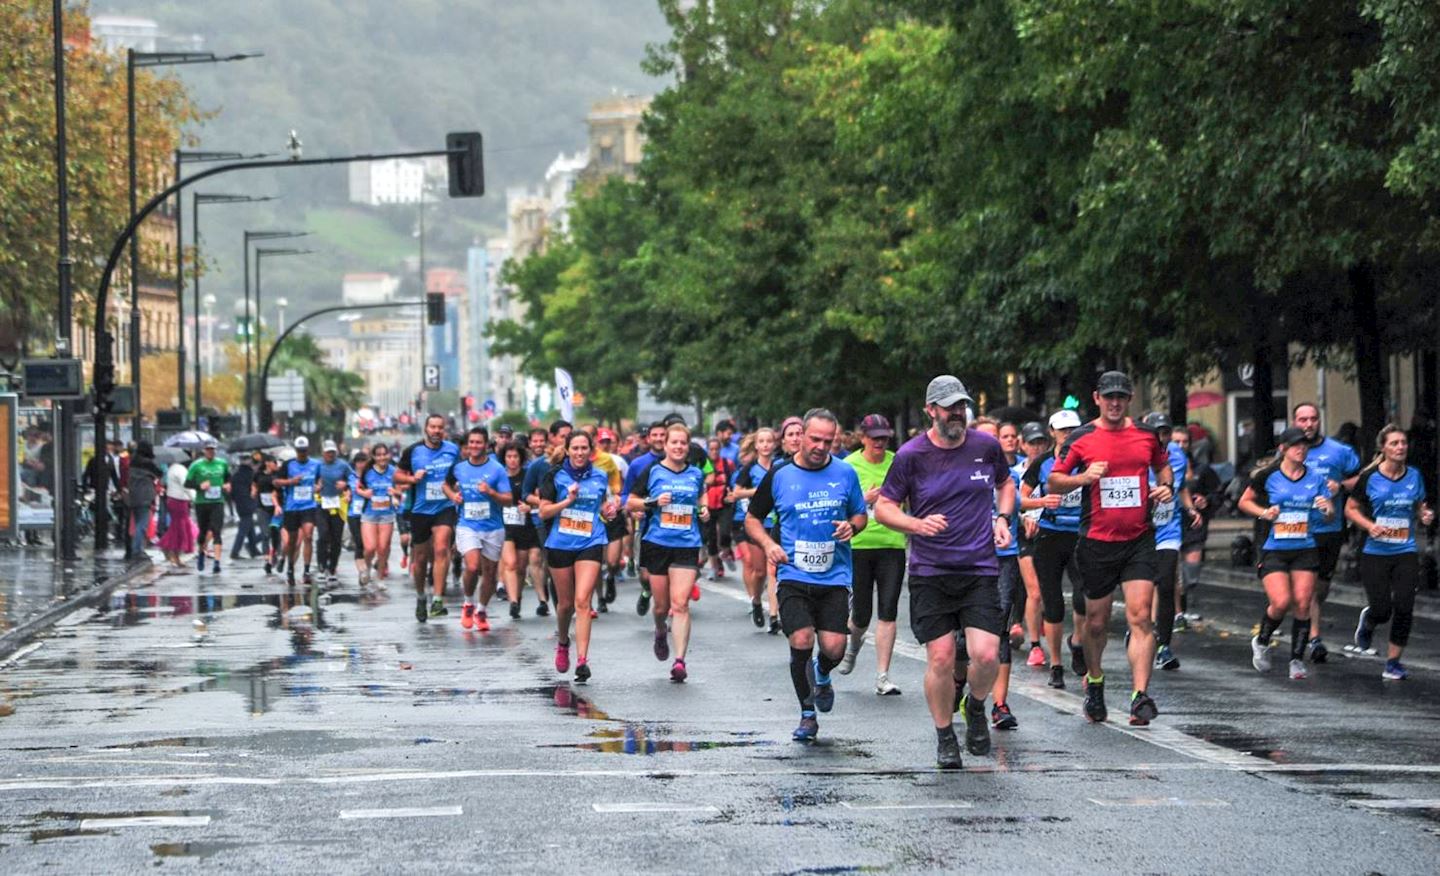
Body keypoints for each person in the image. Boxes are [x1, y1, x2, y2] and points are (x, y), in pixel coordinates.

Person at [875, 378, 1012, 768]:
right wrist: (915, 525)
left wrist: (1002, 518)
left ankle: (976, 707)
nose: (957, 413)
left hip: (978, 568)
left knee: (987, 655)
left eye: (961, 405)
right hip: (931, 571)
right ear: (931, 410)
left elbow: (1005, 484)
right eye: (949, 406)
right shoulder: (911, 455)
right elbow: (885, 507)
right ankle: (945, 735)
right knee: (941, 658)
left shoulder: (985, 447)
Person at [1046, 371, 1172, 726]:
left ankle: (1139, 696)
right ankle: (1096, 682)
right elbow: (1055, 478)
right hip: (1097, 542)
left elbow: (1163, 468)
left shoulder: (1146, 435)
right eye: (1108, 397)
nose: (1115, 403)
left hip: (1139, 539)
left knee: (1140, 616)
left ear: (1130, 398)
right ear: (1097, 398)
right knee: (1097, 624)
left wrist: (1165, 487)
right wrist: (1084, 478)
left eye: (1121, 397)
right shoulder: (1083, 437)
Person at [747, 409, 867, 743]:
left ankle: (823, 674)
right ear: (800, 435)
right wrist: (769, 544)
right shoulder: (780, 474)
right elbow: (753, 519)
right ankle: (807, 713)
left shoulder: (845, 473)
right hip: (793, 573)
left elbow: (860, 514)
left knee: (834, 649)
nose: (821, 446)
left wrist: (851, 526)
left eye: (828, 441)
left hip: (834, 576)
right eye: (815, 439)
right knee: (801, 640)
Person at [1238, 426, 1335, 679]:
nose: (1301, 449)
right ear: (1283, 449)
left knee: (1303, 603)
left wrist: (1328, 509)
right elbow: (1244, 501)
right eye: (1296, 446)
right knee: (1280, 603)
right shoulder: (1268, 475)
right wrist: (1264, 513)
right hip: (1275, 549)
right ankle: (1262, 640)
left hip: (1305, 547)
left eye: (1305, 445)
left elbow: (1328, 517)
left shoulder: (1315, 478)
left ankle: (1296, 660)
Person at [1347, 424, 1433, 679]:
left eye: (1403, 443)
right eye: (1394, 443)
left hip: (1405, 550)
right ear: (1383, 448)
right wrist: (1369, 525)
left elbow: (1419, 506)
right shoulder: (1370, 478)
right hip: (1375, 553)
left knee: (1405, 605)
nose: (1400, 447)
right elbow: (1350, 509)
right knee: (1383, 608)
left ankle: (1393, 662)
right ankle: (1371, 619)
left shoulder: (1414, 476)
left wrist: (1424, 515)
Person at [628, 423, 710, 683]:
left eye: (682, 443)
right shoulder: (653, 471)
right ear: (665, 445)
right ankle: (660, 629)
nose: (678, 447)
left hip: (686, 543)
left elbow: (702, 497)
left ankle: (679, 661)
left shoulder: (696, 474)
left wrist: (704, 509)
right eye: (673, 442)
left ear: (688, 447)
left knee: (681, 604)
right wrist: (651, 502)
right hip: (657, 543)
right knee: (662, 606)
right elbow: (629, 501)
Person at [837, 414, 907, 697]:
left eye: (884, 438)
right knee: (861, 615)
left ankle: (882, 676)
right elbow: (838, 506)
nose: (880, 442)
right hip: (859, 545)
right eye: (875, 437)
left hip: (892, 544)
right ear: (863, 437)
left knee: (889, 611)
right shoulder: (848, 466)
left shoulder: (898, 462)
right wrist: (863, 501)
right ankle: (853, 646)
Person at [539, 431, 618, 680]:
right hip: (560, 543)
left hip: (591, 541)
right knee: (565, 605)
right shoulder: (554, 475)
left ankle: (582, 660)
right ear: (567, 449)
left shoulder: (600, 476)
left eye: (584, 448)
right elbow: (543, 512)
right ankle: (563, 642)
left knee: (582, 602)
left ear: (590, 450)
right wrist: (567, 501)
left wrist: (609, 510)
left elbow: (602, 507)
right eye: (575, 448)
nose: (580, 453)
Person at [1021, 410, 1087, 689]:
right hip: (1051, 536)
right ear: (1052, 432)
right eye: (1063, 430)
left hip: (1082, 535)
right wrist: (1042, 503)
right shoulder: (1043, 463)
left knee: (1085, 600)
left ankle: (1079, 643)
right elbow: (1021, 498)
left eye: (1073, 429)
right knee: (1053, 604)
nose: (1068, 434)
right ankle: (1057, 664)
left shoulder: (1087, 461)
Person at [1291, 402, 1361, 664]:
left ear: (1319, 421)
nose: (1308, 424)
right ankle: (1314, 638)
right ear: (1295, 421)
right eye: (1302, 420)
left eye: (1313, 419)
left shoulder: (1339, 451)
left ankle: (1309, 625)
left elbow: (1360, 479)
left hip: (1330, 528)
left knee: (1320, 588)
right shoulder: (1287, 451)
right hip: (1298, 529)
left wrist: (1341, 484)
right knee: (1306, 589)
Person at [973, 418, 1024, 730]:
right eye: (987, 436)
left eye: (997, 436)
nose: (992, 441)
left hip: (1004, 557)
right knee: (967, 640)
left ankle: (1000, 704)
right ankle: (962, 687)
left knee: (999, 630)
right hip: (968, 560)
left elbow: (1020, 502)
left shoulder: (1011, 475)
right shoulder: (959, 471)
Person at [1141, 412, 1199, 672]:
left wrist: (1190, 509)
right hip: (1139, 530)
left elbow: (1182, 487)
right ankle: (1140, 629)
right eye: (1157, 433)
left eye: (1164, 433)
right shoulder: (1135, 453)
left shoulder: (1176, 453)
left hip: (1168, 529)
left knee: (1165, 583)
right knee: (1142, 586)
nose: (1161, 438)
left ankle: (1164, 646)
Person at [444, 427, 513, 632]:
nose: (474, 446)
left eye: (478, 442)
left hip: (493, 527)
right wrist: (452, 496)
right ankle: (468, 603)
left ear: (486, 445)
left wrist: (491, 492)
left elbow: (509, 500)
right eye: (471, 443)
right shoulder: (458, 468)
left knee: (490, 573)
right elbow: (445, 485)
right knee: (473, 567)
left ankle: (481, 610)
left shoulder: (497, 469)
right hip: (467, 525)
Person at [397, 415, 461, 622]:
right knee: (421, 558)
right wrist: (411, 478)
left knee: (442, 548)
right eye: (433, 427)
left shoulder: (452, 450)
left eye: (440, 427)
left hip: (445, 506)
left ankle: (437, 599)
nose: (436, 431)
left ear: (444, 430)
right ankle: (421, 596)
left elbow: (460, 473)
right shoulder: (413, 451)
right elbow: (396, 476)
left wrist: (458, 486)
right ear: (426, 429)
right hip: (421, 510)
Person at [729, 427, 779, 629]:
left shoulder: (780, 466)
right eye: (762, 441)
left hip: (776, 524)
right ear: (756, 445)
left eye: (769, 441)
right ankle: (757, 601)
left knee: (773, 570)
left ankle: (774, 616)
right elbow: (736, 493)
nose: (766, 445)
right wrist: (757, 491)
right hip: (757, 523)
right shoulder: (749, 468)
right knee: (759, 573)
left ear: (774, 444)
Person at [621, 422, 668, 615]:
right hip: (648, 526)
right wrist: (635, 510)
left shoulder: (680, 461)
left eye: (662, 435)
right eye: (654, 435)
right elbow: (626, 496)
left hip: (675, 528)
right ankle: (647, 590)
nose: (658, 438)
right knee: (647, 575)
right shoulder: (638, 464)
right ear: (648, 439)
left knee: (670, 573)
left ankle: (670, 611)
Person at [1016, 422, 1050, 667]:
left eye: (1041, 442)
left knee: (1049, 591)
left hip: (1050, 534)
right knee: (1034, 591)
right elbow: (1010, 502)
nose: (1036, 447)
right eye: (1032, 443)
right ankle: (1035, 645)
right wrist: (1024, 517)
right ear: (1023, 445)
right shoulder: (1015, 472)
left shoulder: (1053, 468)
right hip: (1023, 534)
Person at [501, 443, 549, 618]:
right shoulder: (500, 476)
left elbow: (538, 496)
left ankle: (542, 601)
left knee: (535, 560)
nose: (512, 460)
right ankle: (515, 601)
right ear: (504, 458)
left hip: (529, 524)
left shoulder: (528, 474)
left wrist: (530, 506)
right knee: (516, 565)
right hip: (507, 526)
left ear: (521, 458)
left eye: (515, 456)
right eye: (509, 457)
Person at [275, 437, 323, 586]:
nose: (302, 453)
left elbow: (320, 479)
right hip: (292, 507)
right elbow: (276, 482)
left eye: (304, 451)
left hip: (308, 506)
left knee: (308, 536)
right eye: (299, 451)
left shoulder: (316, 464)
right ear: (296, 451)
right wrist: (290, 482)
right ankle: (290, 568)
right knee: (292, 541)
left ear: (308, 450)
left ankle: (306, 570)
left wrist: (319, 486)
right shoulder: (289, 465)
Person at [357, 442, 401, 588]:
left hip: (387, 515)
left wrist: (395, 494)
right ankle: (367, 568)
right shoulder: (367, 471)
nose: (382, 457)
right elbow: (358, 488)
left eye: (384, 454)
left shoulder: (394, 471)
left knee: (383, 548)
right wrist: (365, 493)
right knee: (370, 547)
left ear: (388, 455)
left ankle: (380, 577)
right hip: (369, 514)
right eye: (379, 455)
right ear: (374, 457)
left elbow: (400, 492)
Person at [185, 440, 231, 575]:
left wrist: (227, 485)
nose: (211, 451)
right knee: (203, 532)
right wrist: (200, 486)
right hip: (202, 503)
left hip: (218, 501)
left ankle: (217, 563)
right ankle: (201, 553)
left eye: (213, 449)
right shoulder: (196, 465)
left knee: (217, 531)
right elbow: (187, 483)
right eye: (208, 449)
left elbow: (228, 477)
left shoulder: (222, 463)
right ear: (204, 450)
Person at [596, 427, 630, 604]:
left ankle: (610, 576)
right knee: (594, 562)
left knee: (612, 561)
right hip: (595, 514)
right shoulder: (587, 461)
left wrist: (622, 499)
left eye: (608, 441)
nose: (605, 444)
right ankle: (600, 598)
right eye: (602, 441)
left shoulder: (618, 461)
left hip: (614, 513)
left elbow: (629, 483)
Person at [315, 440, 354, 585]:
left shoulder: (343, 465)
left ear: (336, 452)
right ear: (323, 453)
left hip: (338, 505)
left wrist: (346, 485)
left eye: (332, 452)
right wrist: (316, 487)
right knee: (323, 534)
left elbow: (354, 479)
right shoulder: (318, 465)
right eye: (327, 452)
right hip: (322, 503)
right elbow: (310, 482)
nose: (330, 454)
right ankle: (321, 567)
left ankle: (332, 568)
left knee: (336, 538)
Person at [123, 441, 164, 559]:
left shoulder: (133, 462)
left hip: (133, 497)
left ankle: (135, 549)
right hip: (145, 497)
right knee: (142, 524)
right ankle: (137, 550)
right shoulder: (148, 463)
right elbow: (159, 473)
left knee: (136, 524)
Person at [703, 436, 736, 582]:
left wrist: (733, 492)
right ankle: (714, 567)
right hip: (708, 506)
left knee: (724, 533)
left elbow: (734, 481)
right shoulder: (703, 466)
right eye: (711, 449)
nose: (714, 452)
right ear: (707, 450)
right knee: (710, 538)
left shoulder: (727, 464)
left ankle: (726, 552)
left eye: (717, 449)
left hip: (724, 504)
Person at [158, 451, 196, 571]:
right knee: (179, 529)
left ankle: (173, 553)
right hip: (180, 501)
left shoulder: (172, 469)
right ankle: (171, 551)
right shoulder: (180, 470)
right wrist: (194, 498)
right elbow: (186, 485)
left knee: (177, 528)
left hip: (174, 500)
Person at [229, 452, 264, 561]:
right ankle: (235, 551)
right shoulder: (251, 474)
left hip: (240, 504)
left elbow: (232, 492)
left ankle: (253, 549)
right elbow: (254, 488)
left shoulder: (235, 475)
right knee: (244, 528)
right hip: (248, 502)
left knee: (249, 526)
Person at [253, 456, 282, 575]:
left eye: (276, 462)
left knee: (276, 532)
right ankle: (267, 559)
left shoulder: (278, 475)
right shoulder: (258, 474)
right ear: (267, 463)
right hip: (262, 507)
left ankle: (275, 554)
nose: (275, 464)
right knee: (266, 533)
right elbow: (254, 484)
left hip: (276, 508)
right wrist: (253, 490)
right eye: (273, 462)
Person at [346, 452, 370, 585]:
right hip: (354, 515)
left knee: (370, 545)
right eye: (359, 461)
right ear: (355, 463)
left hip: (369, 514)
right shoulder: (350, 477)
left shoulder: (371, 476)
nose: (361, 464)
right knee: (359, 544)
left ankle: (369, 566)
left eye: (364, 461)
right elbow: (346, 489)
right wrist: (348, 495)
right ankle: (362, 571)